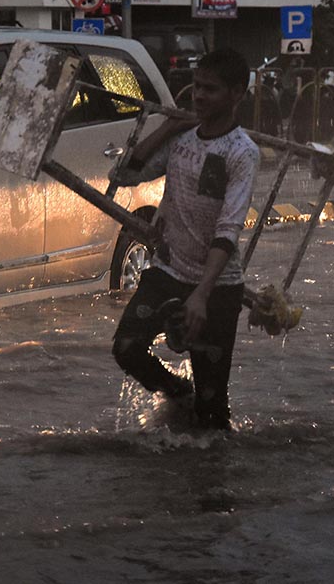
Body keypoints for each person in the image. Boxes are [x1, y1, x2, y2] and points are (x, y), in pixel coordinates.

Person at [110, 49, 260, 431]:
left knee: (212, 411)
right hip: (168, 271)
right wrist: (167, 128)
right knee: (126, 348)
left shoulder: (242, 152)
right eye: (196, 87)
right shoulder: (181, 142)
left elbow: (228, 228)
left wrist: (202, 294)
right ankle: (178, 393)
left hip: (218, 287)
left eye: (211, 89)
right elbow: (124, 174)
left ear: (236, 94)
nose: (199, 96)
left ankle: (210, 479)